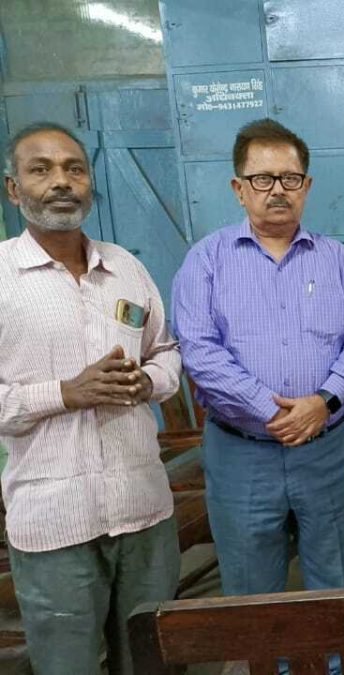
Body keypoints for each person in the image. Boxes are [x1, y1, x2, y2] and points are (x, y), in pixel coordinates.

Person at [172, 119, 344, 609]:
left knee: (334, 584)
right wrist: (272, 410)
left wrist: (321, 403)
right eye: (262, 179)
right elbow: (199, 350)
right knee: (251, 594)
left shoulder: (339, 261)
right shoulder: (206, 261)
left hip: (324, 450)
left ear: (306, 186)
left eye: (290, 178)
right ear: (239, 188)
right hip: (241, 454)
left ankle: (333, 653)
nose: (277, 190)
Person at [0, 122, 181, 674]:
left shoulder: (125, 267)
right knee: (68, 665)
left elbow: (166, 351)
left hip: (143, 510)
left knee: (150, 661)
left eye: (74, 169)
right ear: (14, 189)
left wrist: (149, 382)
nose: (61, 181)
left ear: (89, 183)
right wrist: (64, 394)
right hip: (53, 523)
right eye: (41, 169)